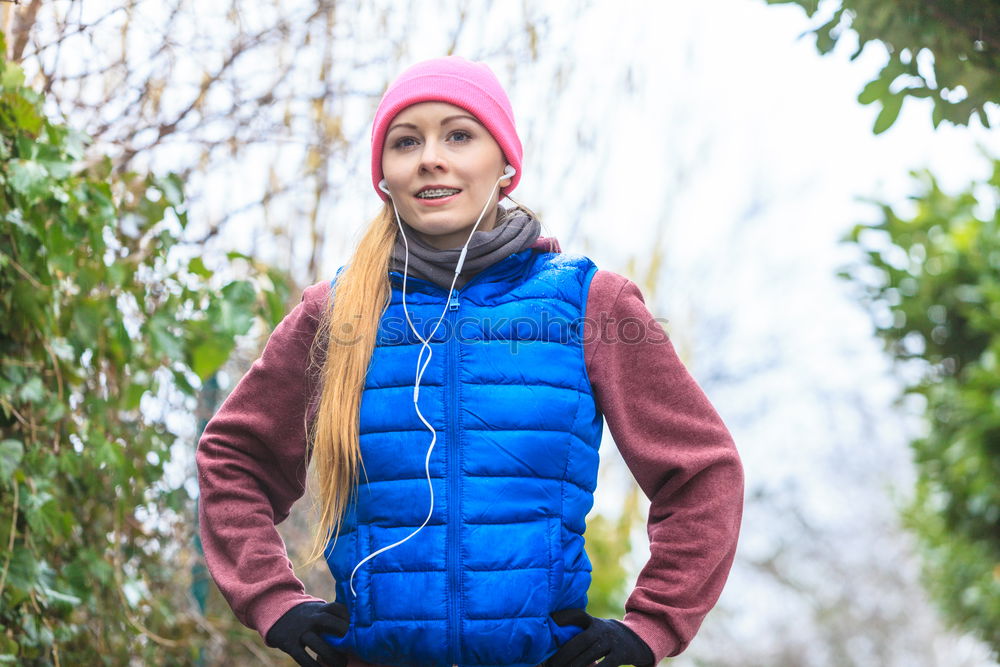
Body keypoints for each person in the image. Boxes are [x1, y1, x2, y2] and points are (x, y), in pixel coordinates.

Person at [196, 55, 744, 667]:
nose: (431, 157)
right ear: (385, 175)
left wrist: (651, 628)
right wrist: (275, 601)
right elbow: (233, 458)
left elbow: (704, 472)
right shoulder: (335, 314)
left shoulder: (590, 303)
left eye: (459, 135)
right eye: (406, 142)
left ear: (505, 162)